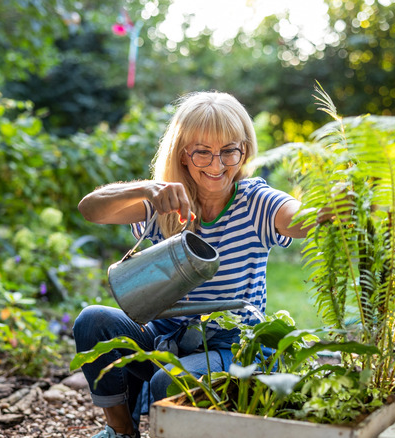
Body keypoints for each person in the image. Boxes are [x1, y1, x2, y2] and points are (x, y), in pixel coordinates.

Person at [73, 91, 319, 438]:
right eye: (203, 151)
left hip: (230, 346)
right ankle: (122, 432)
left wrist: (327, 209)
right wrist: (148, 189)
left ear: (244, 150)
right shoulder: (164, 201)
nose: (217, 165)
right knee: (93, 321)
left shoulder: (256, 202)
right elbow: (90, 209)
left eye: (229, 150)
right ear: (183, 155)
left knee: (168, 381)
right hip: (166, 337)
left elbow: (299, 219)